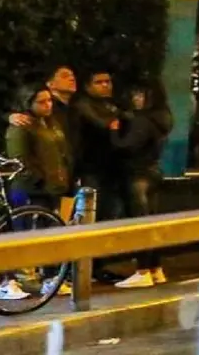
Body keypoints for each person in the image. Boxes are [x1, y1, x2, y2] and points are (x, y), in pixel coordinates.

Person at [0, 85, 73, 299]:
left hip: (52, 186)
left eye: (49, 100)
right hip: (29, 189)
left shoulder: (50, 122)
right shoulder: (21, 126)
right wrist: (38, 181)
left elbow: (62, 151)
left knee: (50, 232)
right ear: (28, 103)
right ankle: (9, 280)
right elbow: (20, 160)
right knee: (19, 232)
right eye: (41, 102)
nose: (47, 105)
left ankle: (49, 278)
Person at [111, 81, 173, 289]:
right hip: (154, 172)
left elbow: (125, 146)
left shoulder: (142, 120)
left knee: (140, 223)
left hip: (137, 175)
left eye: (140, 95)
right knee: (152, 222)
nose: (136, 99)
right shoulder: (162, 118)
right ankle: (156, 269)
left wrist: (114, 131)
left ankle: (142, 270)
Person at [73, 70, 126, 284]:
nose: (105, 85)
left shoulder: (112, 107)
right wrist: (112, 124)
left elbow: (124, 123)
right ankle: (84, 269)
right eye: (99, 82)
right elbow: (101, 124)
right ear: (88, 86)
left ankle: (98, 267)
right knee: (89, 218)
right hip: (89, 170)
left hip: (110, 171)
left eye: (108, 81)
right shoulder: (83, 105)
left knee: (106, 218)